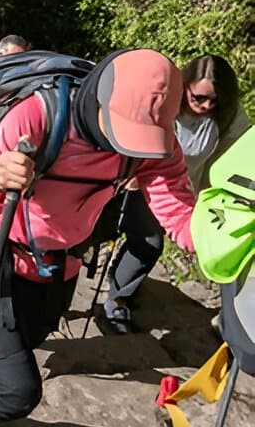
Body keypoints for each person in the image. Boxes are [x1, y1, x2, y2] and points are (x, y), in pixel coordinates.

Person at [0, 48, 196, 427]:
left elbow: (178, 211)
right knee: (16, 388)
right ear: (99, 101)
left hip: (56, 266)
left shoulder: (153, 140)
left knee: (10, 360)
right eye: (123, 132)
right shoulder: (38, 115)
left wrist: (224, 248)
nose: (129, 147)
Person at [100, 53, 250, 334]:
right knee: (128, 238)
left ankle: (118, 296)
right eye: (198, 98)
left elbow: (224, 162)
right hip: (138, 179)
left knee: (148, 244)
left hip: (178, 192)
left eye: (213, 101)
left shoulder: (228, 117)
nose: (206, 106)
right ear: (185, 87)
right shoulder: (165, 101)